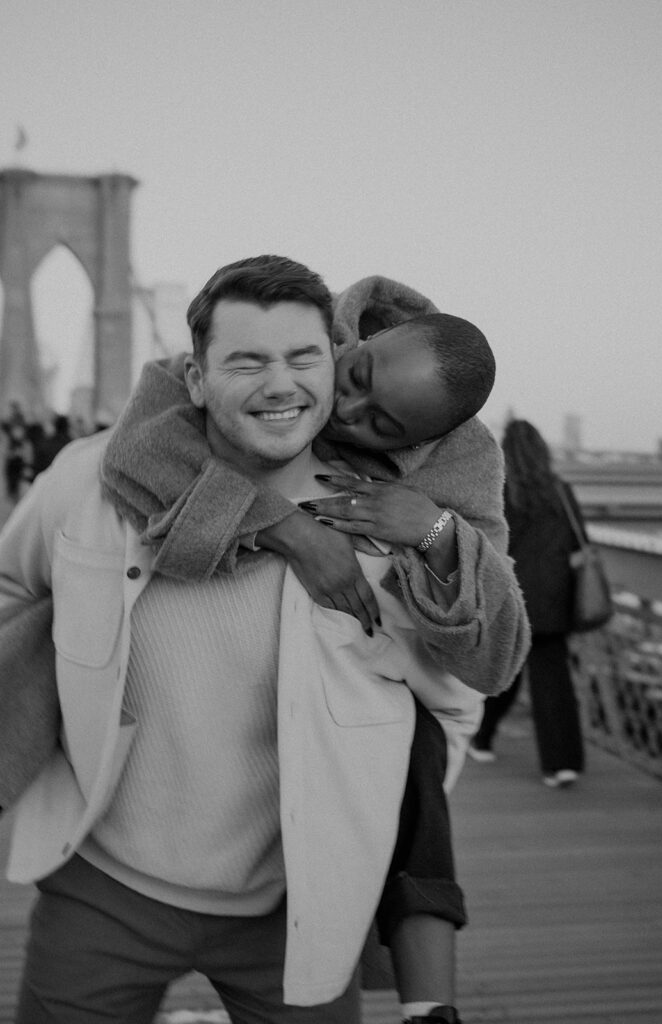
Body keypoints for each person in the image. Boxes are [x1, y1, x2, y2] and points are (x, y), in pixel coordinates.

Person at [0, 257, 529, 1024]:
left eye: (380, 420)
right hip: (100, 885)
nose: (333, 405)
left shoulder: (388, 530)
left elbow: (458, 698)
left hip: (298, 909)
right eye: (247, 361)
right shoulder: (92, 481)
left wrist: (356, 809)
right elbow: (12, 586)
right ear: (193, 374)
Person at [469, 418, 586, 787]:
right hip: (555, 599)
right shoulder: (561, 492)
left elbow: (487, 543)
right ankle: (562, 764)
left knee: (506, 671)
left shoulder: (500, 491)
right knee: (554, 682)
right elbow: (579, 543)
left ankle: (482, 738)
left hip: (513, 597)